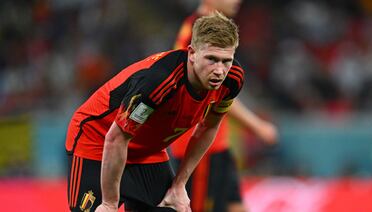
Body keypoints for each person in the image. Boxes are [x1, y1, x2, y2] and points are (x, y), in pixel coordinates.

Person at [65, 12, 243, 212]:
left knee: (174, 207)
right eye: (211, 59)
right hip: (97, 139)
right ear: (192, 53)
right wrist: (109, 203)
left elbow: (209, 127)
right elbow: (116, 138)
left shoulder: (232, 80)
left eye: (226, 60)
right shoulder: (159, 80)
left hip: (146, 150)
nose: (219, 70)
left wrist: (179, 185)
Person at [170, 0, 278, 211]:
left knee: (235, 206)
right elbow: (215, 94)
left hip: (217, 144)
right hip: (198, 146)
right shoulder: (196, 34)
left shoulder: (209, 29)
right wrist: (257, 126)